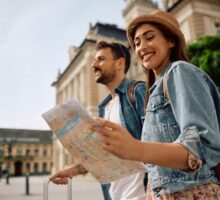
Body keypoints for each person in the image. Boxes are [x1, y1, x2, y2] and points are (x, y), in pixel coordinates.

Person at [91, 10, 220, 199]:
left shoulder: (179, 71)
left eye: (149, 37)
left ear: (171, 41)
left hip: (190, 191)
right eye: (137, 43)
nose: (142, 47)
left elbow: (202, 146)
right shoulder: (154, 91)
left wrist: (136, 148)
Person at [50, 41, 147, 200]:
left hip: (141, 195)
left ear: (120, 63)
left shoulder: (137, 92)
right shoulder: (105, 107)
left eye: (100, 59)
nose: (93, 65)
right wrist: (73, 170)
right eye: (94, 60)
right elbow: (107, 158)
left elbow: (160, 143)